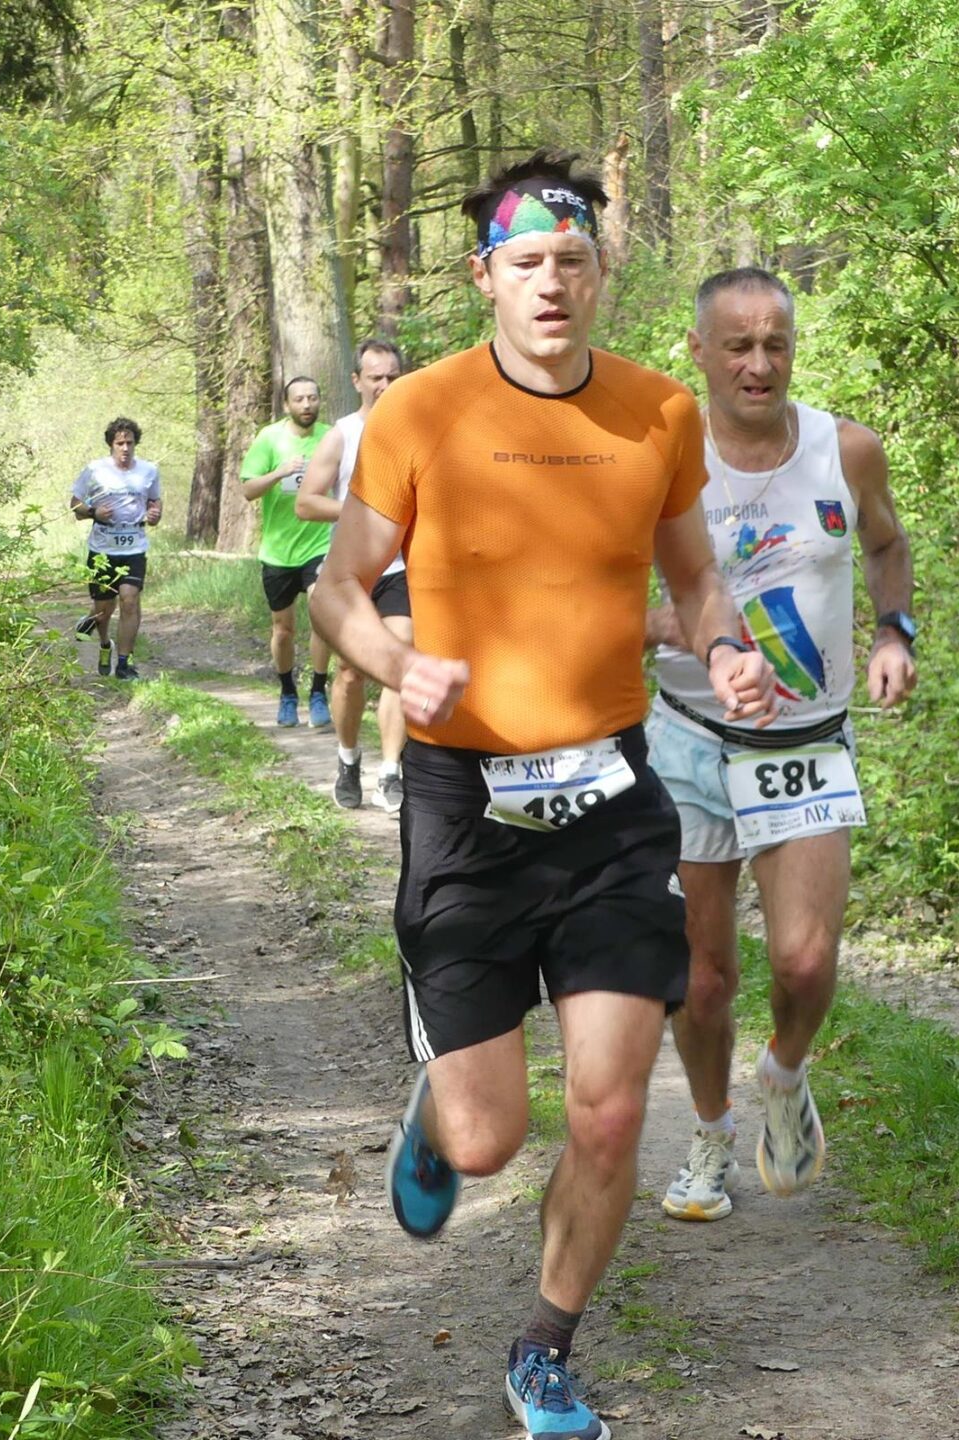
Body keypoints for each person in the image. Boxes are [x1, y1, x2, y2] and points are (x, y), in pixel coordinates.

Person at [312, 151, 772, 1440]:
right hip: (463, 802)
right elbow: (341, 587)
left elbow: (694, 577)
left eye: (573, 259)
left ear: (601, 270)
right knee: (486, 1145)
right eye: (527, 263)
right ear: (486, 278)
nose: (552, 282)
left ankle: (544, 1350)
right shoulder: (420, 412)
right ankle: (441, 1103)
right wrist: (395, 661)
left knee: (611, 1108)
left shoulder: (658, 413)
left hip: (613, 799)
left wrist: (724, 647)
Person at [643, 267, 918, 1222]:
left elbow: (886, 546)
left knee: (803, 963)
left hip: (806, 741)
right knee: (701, 977)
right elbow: (600, 602)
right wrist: (675, 630)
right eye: (738, 347)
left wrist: (893, 633)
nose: (758, 365)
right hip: (688, 739)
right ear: (699, 352)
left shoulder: (847, 450)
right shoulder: (659, 459)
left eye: (775, 345)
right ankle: (710, 1134)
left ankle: (785, 1075)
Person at [296, 340, 412, 811]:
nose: (385, 385)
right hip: (350, 572)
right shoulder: (341, 435)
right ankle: (348, 759)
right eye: (375, 377)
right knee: (349, 673)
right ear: (357, 381)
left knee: (399, 665)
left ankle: (391, 771)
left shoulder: (417, 429)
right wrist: (361, 512)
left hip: (401, 570)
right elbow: (306, 502)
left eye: (392, 377)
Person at [238, 376, 334, 727]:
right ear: (286, 404)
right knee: (283, 630)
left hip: (320, 544)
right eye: (299, 399)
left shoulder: (331, 437)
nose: (307, 405)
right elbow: (248, 490)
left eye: (312, 398)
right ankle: (287, 692)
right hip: (278, 551)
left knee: (322, 616)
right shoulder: (269, 439)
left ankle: (319, 692)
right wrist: (279, 472)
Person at [69, 417, 162, 681]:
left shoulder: (149, 470)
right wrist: (94, 512)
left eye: (129, 443)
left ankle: (124, 663)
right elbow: (75, 504)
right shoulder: (95, 470)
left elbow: (155, 502)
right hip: (103, 548)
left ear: (135, 444)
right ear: (111, 444)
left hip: (134, 546)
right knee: (104, 609)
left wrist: (155, 515)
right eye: (120, 443)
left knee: (129, 600)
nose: (125, 448)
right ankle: (104, 644)